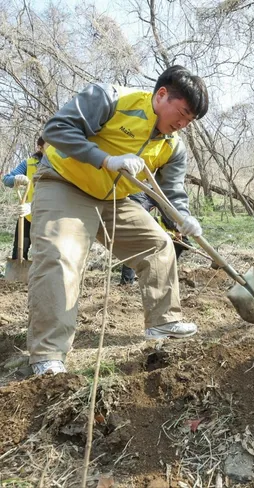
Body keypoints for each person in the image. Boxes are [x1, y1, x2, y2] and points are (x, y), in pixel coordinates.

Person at [27, 65, 209, 376]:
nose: (182, 124)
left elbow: (172, 192)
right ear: (161, 95)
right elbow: (56, 130)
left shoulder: (172, 146)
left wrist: (183, 217)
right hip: (65, 183)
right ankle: (48, 354)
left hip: (113, 199)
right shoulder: (111, 99)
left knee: (158, 245)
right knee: (60, 257)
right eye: (181, 113)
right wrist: (105, 159)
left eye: (189, 120)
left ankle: (163, 322)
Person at [120, 191, 192, 285]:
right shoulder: (152, 191)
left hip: (124, 214)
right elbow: (167, 210)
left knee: (132, 248)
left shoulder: (142, 190)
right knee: (134, 247)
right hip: (133, 217)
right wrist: (177, 230)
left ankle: (127, 282)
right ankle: (128, 282)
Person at [2, 136, 45, 260]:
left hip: (48, 218)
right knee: (19, 252)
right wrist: (15, 179)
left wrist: (33, 206)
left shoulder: (60, 165)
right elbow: (6, 180)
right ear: (40, 147)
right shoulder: (29, 163)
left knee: (45, 256)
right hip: (27, 216)